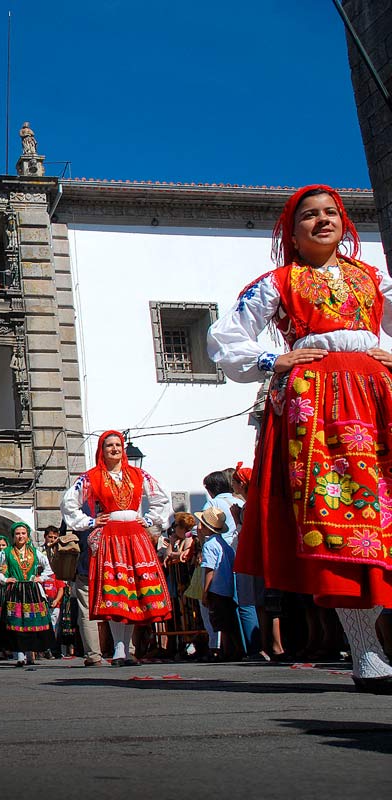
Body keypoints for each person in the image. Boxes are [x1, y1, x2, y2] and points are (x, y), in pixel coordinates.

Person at [208, 185, 392, 692]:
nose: (322, 221)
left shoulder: (374, 280)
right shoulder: (278, 283)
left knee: (385, 514)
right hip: (317, 405)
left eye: (330, 213)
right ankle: (366, 651)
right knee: (343, 520)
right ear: (292, 231)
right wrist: (274, 359)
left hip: (379, 395)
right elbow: (226, 338)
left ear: (345, 222)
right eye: (309, 215)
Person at [61, 430, 173, 667]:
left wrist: (150, 520)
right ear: (101, 450)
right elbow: (69, 503)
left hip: (134, 535)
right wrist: (91, 522)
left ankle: (123, 648)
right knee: (116, 590)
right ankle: (120, 648)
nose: (115, 449)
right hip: (111, 535)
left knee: (131, 590)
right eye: (109, 445)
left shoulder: (137, 474)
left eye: (118, 445)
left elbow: (160, 499)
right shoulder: (92, 477)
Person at [0, 522, 56, 666]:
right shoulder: (6, 552)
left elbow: (49, 566)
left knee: (31, 622)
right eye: (17, 534)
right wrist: (5, 579)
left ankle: (30, 654)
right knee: (16, 623)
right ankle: (20, 655)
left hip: (31, 590)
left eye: (23, 533)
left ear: (27, 535)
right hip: (15, 591)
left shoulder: (34, 551)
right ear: (13, 537)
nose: (20, 536)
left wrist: (40, 578)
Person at [197, 507, 242, 660]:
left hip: (215, 588)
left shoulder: (209, 545)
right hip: (227, 588)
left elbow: (210, 569)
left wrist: (205, 591)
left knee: (219, 621)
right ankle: (233, 649)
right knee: (228, 621)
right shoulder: (225, 545)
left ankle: (225, 651)